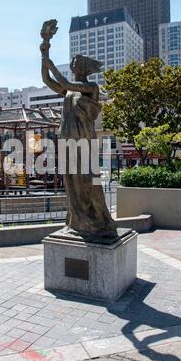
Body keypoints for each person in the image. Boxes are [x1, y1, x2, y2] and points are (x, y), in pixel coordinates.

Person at [40, 20, 118, 242]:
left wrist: (51, 62)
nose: (73, 65)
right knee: (72, 182)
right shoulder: (68, 91)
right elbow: (46, 79)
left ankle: (97, 219)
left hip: (84, 140)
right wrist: (44, 53)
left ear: (82, 68)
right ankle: (77, 221)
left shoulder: (91, 88)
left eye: (75, 63)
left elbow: (64, 81)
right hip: (67, 139)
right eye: (73, 62)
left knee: (88, 181)